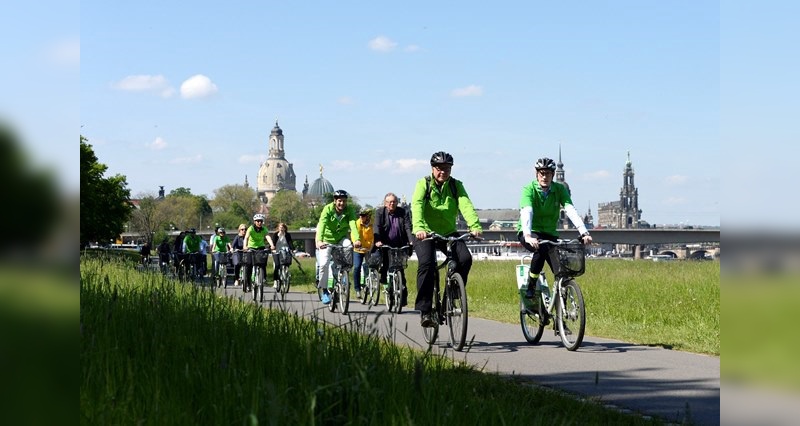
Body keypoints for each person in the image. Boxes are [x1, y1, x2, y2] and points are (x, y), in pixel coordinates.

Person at [411, 151, 483, 327]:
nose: (443, 171)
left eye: (447, 168)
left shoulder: (456, 186)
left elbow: (466, 204)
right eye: (439, 168)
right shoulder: (423, 184)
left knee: (465, 258)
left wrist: (474, 225)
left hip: (448, 232)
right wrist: (419, 227)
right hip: (425, 232)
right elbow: (417, 205)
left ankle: (452, 296)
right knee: (427, 264)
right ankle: (425, 310)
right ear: (432, 169)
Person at [517, 157, 592, 299]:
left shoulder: (559, 189)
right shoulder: (529, 189)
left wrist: (584, 232)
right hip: (530, 231)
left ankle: (560, 302)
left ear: (553, 174)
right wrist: (527, 235)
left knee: (560, 267)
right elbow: (527, 211)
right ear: (537, 174)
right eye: (542, 173)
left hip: (549, 233)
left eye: (548, 174)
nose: (544, 177)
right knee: (541, 248)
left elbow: (570, 209)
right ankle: (531, 284)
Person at [315, 190, 361, 305]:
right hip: (326, 239)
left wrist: (356, 239)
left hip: (341, 239)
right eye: (340, 201)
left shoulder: (349, 210)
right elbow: (322, 224)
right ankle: (324, 290)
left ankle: (344, 273)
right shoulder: (328, 209)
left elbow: (353, 226)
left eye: (344, 201)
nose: (342, 203)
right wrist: (319, 241)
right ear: (335, 201)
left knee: (349, 246)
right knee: (324, 264)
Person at [373, 192, 414, 306]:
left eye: (394, 202)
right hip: (385, 244)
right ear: (385, 203)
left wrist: (411, 240)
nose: (392, 204)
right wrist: (377, 240)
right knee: (386, 266)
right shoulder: (380, 212)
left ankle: (403, 297)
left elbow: (407, 227)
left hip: (399, 244)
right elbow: (376, 226)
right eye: (390, 202)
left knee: (400, 269)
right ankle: (388, 289)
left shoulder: (402, 212)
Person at [242, 213, 270, 292]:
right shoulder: (251, 228)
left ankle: (263, 278)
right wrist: (245, 246)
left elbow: (267, 236)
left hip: (260, 247)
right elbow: (246, 237)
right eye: (257, 221)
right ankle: (248, 283)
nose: (259, 223)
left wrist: (272, 245)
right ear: (254, 222)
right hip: (251, 248)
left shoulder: (264, 229)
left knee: (263, 263)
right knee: (249, 265)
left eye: (261, 221)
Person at [352, 208, 374, 299]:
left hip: (369, 248)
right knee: (357, 267)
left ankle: (369, 284)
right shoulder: (357, 223)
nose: (361, 217)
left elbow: (376, 234)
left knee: (370, 266)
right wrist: (355, 242)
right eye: (360, 215)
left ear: (368, 216)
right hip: (359, 249)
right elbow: (353, 233)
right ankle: (357, 289)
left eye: (363, 215)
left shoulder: (373, 223)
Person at [266, 222, 293, 290]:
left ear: (285, 228)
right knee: (277, 265)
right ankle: (275, 281)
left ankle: (286, 276)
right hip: (276, 251)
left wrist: (292, 249)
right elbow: (273, 243)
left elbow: (290, 243)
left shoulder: (287, 235)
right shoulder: (275, 234)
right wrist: (272, 248)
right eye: (280, 227)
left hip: (285, 250)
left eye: (283, 227)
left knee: (286, 263)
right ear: (278, 228)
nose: (281, 229)